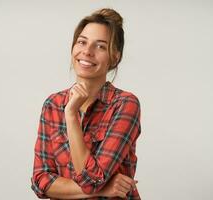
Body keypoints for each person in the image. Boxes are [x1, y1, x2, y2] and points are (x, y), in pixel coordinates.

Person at [31, 8, 141, 199]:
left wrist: (71, 114)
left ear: (115, 57)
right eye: (82, 42)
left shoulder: (124, 104)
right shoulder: (53, 104)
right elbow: (40, 181)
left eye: (100, 46)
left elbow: (91, 180)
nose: (87, 52)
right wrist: (105, 188)